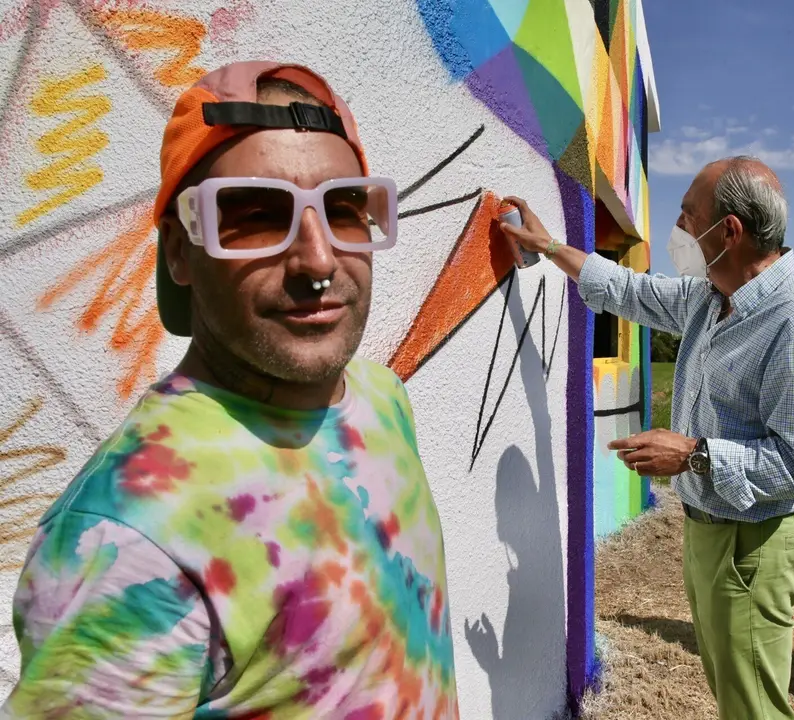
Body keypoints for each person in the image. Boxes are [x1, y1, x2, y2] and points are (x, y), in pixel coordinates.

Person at [1, 61, 458, 719]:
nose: (319, 262)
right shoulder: (131, 536)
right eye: (255, 216)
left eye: (345, 209)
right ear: (181, 251)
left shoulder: (380, 396)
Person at [500, 156, 794, 719]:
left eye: (689, 216)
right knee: (733, 693)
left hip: (755, 542)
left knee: (754, 705)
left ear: (730, 230)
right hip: (712, 531)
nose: (679, 229)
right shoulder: (709, 298)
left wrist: (693, 454)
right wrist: (548, 247)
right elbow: (626, 290)